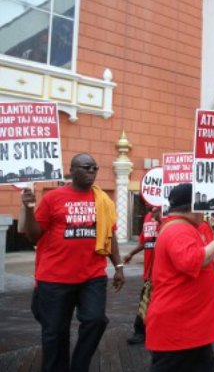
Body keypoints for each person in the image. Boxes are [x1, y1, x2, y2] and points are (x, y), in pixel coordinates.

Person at [21, 153, 125, 372]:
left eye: (95, 168)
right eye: (86, 167)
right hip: (54, 278)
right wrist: (29, 209)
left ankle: (79, 366)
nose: (91, 171)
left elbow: (110, 235)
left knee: (96, 320)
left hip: (92, 276)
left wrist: (118, 267)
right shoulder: (53, 198)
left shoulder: (102, 200)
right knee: (55, 332)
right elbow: (33, 236)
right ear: (73, 169)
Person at [146, 183, 214, 371]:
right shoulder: (178, 230)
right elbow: (192, 260)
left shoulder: (183, 227)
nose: (205, 211)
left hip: (189, 327)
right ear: (194, 207)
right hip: (180, 327)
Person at [123, 206, 161, 345]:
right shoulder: (147, 217)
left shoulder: (168, 217)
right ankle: (140, 332)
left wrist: (161, 221)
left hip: (164, 272)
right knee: (145, 302)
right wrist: (131, 253)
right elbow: (145, 241)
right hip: (149, 272)